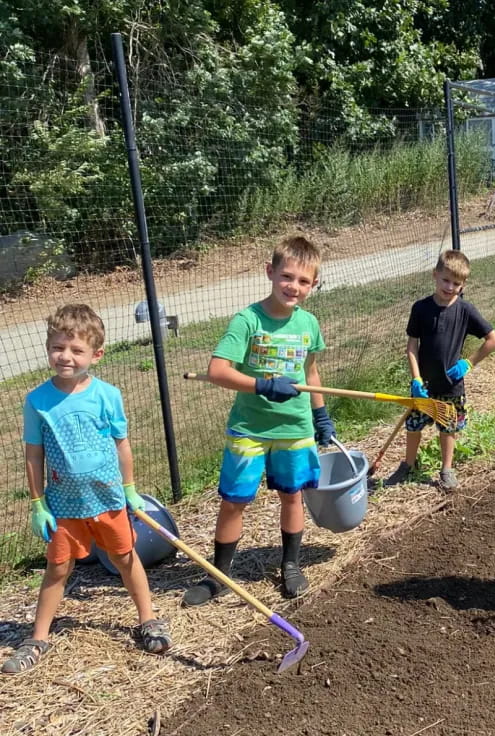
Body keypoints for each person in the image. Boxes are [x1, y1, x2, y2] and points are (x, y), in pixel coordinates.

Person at [2, 304, 171, 674]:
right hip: (63, 505)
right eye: (58, 347)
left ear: (96, 354)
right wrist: (37, 503)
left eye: (76, 350)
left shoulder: (107, 395)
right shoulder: (37, 401)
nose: (65, 356)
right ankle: (38, 638)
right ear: (48, 347)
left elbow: (121, 444)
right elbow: (33, 456)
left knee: (126, 558)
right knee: (58, 568)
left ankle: (148, 619)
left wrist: (129, 488)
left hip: (108, 498)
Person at [182, 235, 335, 606]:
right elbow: (218, 371)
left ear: (314, 285)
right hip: (250, 429)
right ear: (270, 272)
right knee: (234, 501)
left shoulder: (309, 323)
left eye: (303, 281)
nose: (293, 287)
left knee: (292, 495)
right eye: (286, 276)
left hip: (295, 429)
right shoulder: (248, 320)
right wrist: (262, 385)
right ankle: (218, 575)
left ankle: (291, 565)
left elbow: (311, 374)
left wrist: (320, 413)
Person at [384, 250, 495, 491]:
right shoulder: (421, 309)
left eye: (456, 283)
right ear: (435, 275)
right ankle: (408, 465)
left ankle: (447, 469)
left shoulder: (466, 310)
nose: (450, 287)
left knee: (448, 428)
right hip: (424, 386)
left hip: (450, 386)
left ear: (463, 284)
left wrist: (468, 363)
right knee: (414, 425)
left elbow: (493, 340)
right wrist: (416, 379)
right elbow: (412, 346)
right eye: (445, 280)